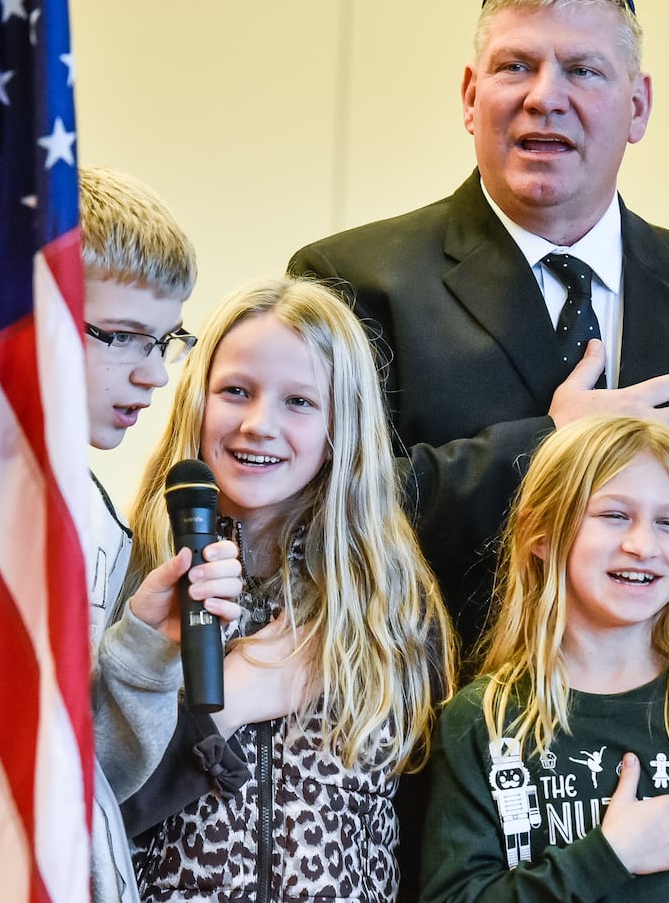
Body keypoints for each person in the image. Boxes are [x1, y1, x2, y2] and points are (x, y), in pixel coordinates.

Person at [289, 0, 669, 698]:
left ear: (638, 105)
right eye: (515, 66)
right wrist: (549, 447)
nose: (544, 97)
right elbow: (316, 525)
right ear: (468, 95)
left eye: (582, 71)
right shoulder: (352, 282)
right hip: (442, 768)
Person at [120, 276, 457, 901]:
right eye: (236, 392)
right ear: (197, 401)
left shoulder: (390, 601)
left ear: (342, 425)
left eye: (299, 402)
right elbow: (88, 820)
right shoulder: (133, 578)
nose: (258, 424)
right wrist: (228, 704)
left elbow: (420, 830)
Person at [421, 415, 669, 900]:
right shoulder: (483, 721)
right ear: (540, 534)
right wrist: (610, 855)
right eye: (614, 515)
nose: (642, 545)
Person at [76, 166, 244, 903]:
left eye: (164, 341)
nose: (154, 377)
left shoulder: (93, 515)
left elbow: (87, 784)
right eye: (122, 338)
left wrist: (143, 646)